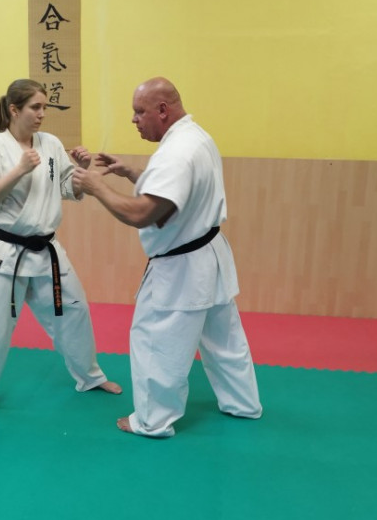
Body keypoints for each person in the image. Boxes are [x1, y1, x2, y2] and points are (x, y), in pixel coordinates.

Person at [72, 77, 261, 438]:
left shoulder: (176, 153)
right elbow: (177, 192)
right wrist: (131, 173)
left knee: (155, 342)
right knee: (224, 340)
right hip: (209, 255)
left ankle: (152, 421)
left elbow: (144, 213)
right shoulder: (196, 137)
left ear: (162, 110)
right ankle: (243, 403)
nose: (133, 119)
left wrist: (97, 187)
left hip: (182, 268)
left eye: (139, 111)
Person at [0, 78, 121, 419]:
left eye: (45, 107)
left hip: (47, 250)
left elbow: (67, 188)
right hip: (3, 253)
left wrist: (82, 170)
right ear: (14, 110)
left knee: (74, 312)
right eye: (35, 107)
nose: (42, 114)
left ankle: (89, 377)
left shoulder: (50, 143)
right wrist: (19, 170)